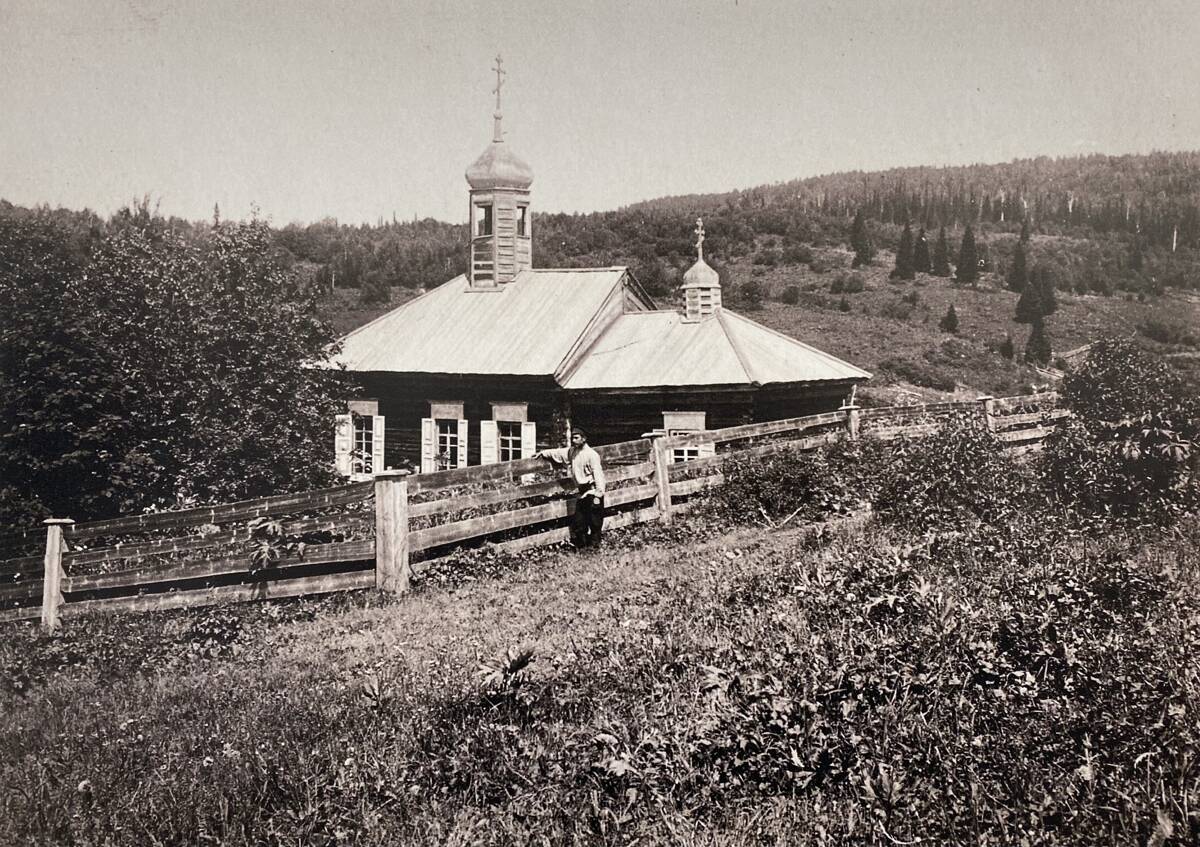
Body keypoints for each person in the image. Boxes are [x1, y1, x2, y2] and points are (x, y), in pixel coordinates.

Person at [537, 429, 606, 548]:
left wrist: (598, 494)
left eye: (576, 438)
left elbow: (598, 474)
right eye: (572, 438)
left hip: (593, 491)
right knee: (579, 522)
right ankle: (582, 549)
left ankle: (595, 548)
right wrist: (543, 453)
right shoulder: (572, 452)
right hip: (582, 492)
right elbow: (558, 453)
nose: (574, 441)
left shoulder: (592, 455)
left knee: (595, 522)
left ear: (584, 439)